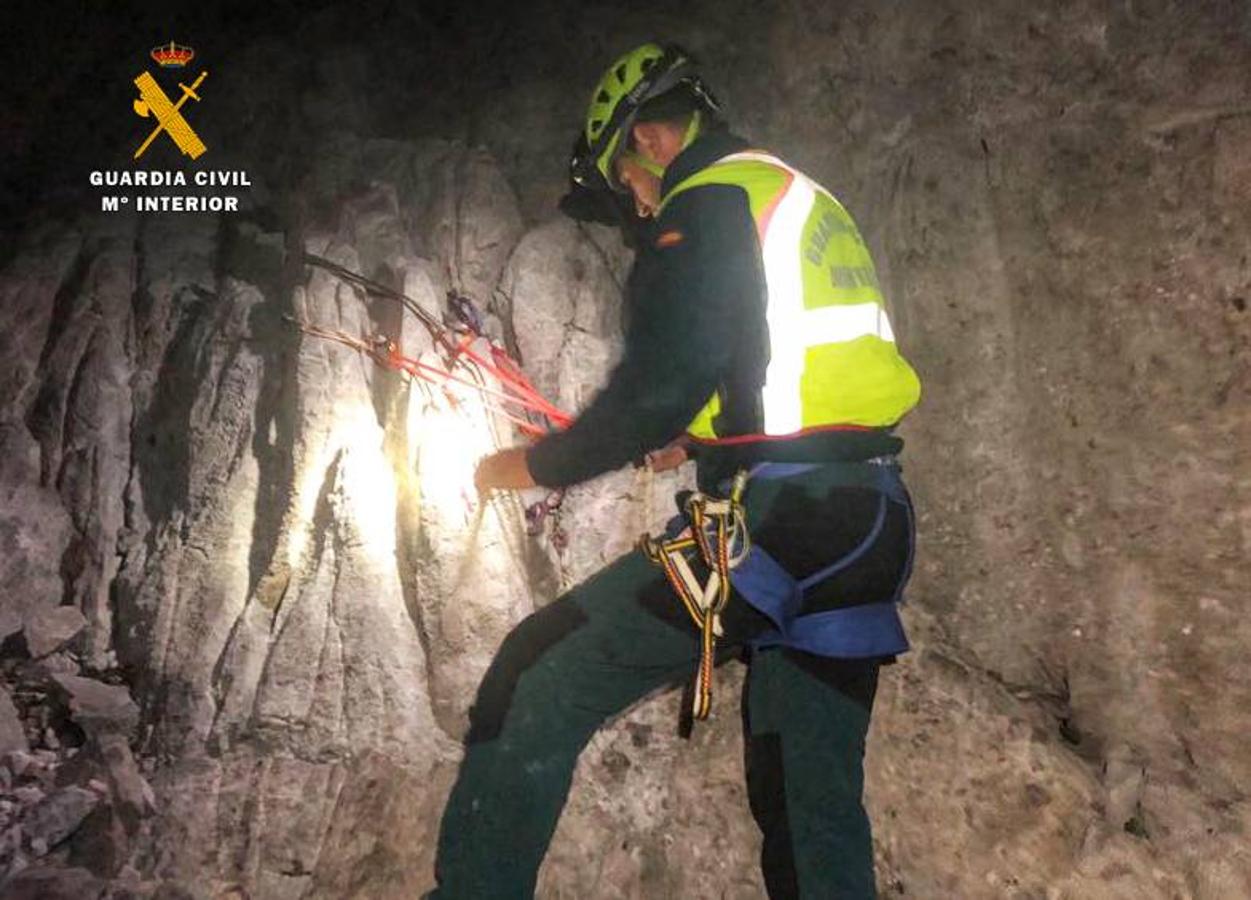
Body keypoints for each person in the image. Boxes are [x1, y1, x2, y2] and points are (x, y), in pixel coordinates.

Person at [430, 42, 923, 899]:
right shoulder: (794, 196)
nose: (633, 201)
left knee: (536, 673)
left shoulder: (705, 203)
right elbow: (789, 365)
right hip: (867, 520)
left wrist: (536, 464)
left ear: (649, 141)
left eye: (625, 181)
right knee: (809, 798)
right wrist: (701, 441)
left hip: (781, 525)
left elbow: (658, 383)